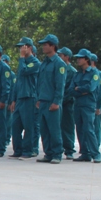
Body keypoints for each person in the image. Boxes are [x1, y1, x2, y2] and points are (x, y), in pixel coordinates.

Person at [35, 35, 67, 164]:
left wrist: (56, 102)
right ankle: (48, 153)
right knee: (44, 129)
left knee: (54, 129)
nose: (43, 47)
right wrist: (38, 98)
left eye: (45, 44)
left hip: (52, 102)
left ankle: (57, 154)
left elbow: (60, 85)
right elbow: (40, 82)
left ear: (53, 46)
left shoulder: (59, 64)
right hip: (43, 100)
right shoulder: (44, 63)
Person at [9, 37, 40, 159]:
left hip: (29, 97)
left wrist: (22, 58)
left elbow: (23, 71)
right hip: (20, 98)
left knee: (29, 126)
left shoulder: (35, 63)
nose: (21, 49)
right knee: (15, 126)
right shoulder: (22, 62)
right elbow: (18, 83)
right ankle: (17, 150)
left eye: (23, 46)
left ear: (30, 48)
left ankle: (27, 150)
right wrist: (13, 99)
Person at [70, 50, 101, 163]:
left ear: (86, 59)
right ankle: (85, 153)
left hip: (88, 105)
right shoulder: (77, 74)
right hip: (78, 104)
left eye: (80, 58)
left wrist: (78, 88)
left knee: (89, 129)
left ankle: (96, 154)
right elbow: (70, 90)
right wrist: (80, 90)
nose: (78, 60)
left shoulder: (94, 73)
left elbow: (90, 88)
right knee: (80, 129)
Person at [57, 47, 77, 160]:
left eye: (61, 55)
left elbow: (71, 89)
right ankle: (58, 148)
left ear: (66, 57)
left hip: (67, 103)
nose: (59, 57)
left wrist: (62, 99)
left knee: (67, 127)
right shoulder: (58, 68)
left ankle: (69, 149)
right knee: (57, 127)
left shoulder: (72, 71)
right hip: (58, 102)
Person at [90, 53, 101, 150]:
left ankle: (96, 145)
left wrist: (98, 106)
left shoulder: (99, 74)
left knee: (96, 126)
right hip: (88, 104)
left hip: (95, 104)